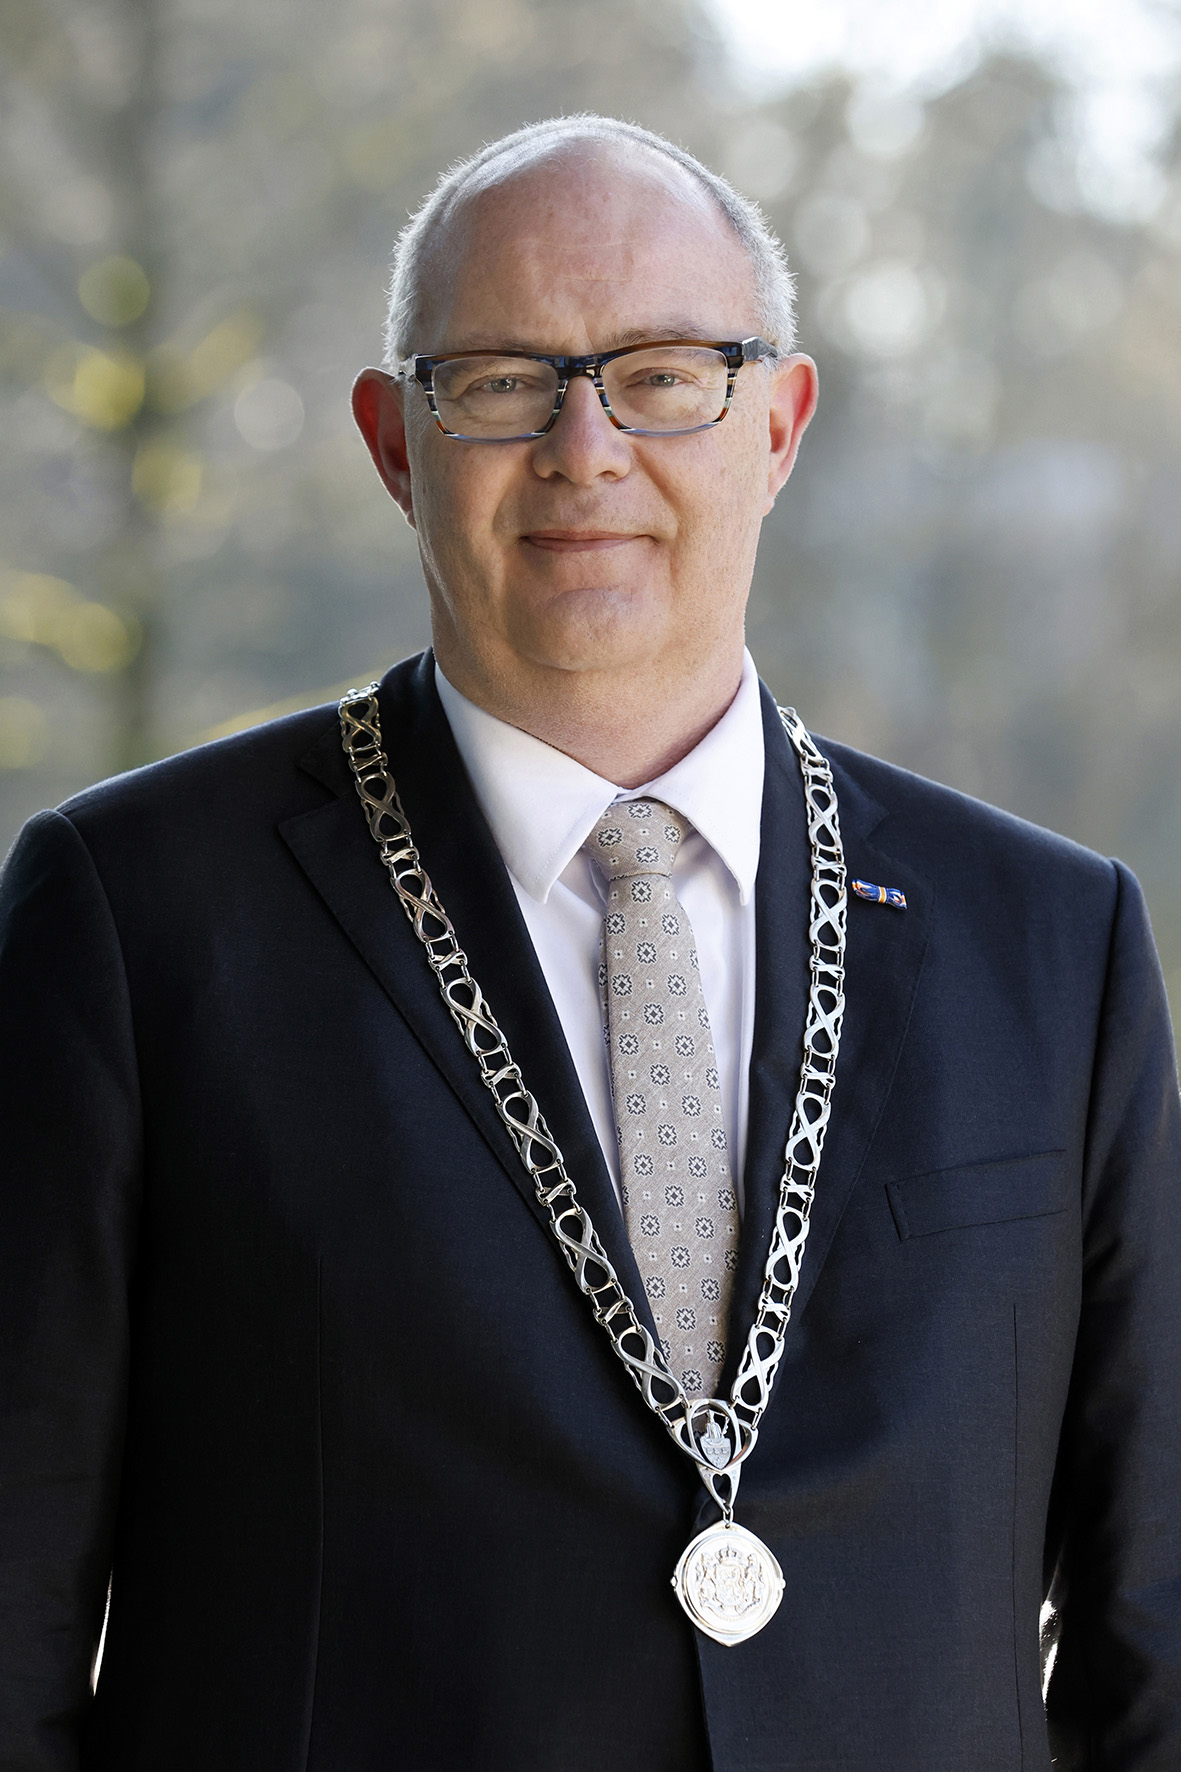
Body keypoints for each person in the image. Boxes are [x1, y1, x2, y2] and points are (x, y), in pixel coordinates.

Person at [1, 114, 1178, 1772]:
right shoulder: (136, 921)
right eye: (500, 381)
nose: (584, 446)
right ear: (394, 442)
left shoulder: (1054, 943)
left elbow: (1152, 1636)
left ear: (779, 424)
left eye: (664, 376)